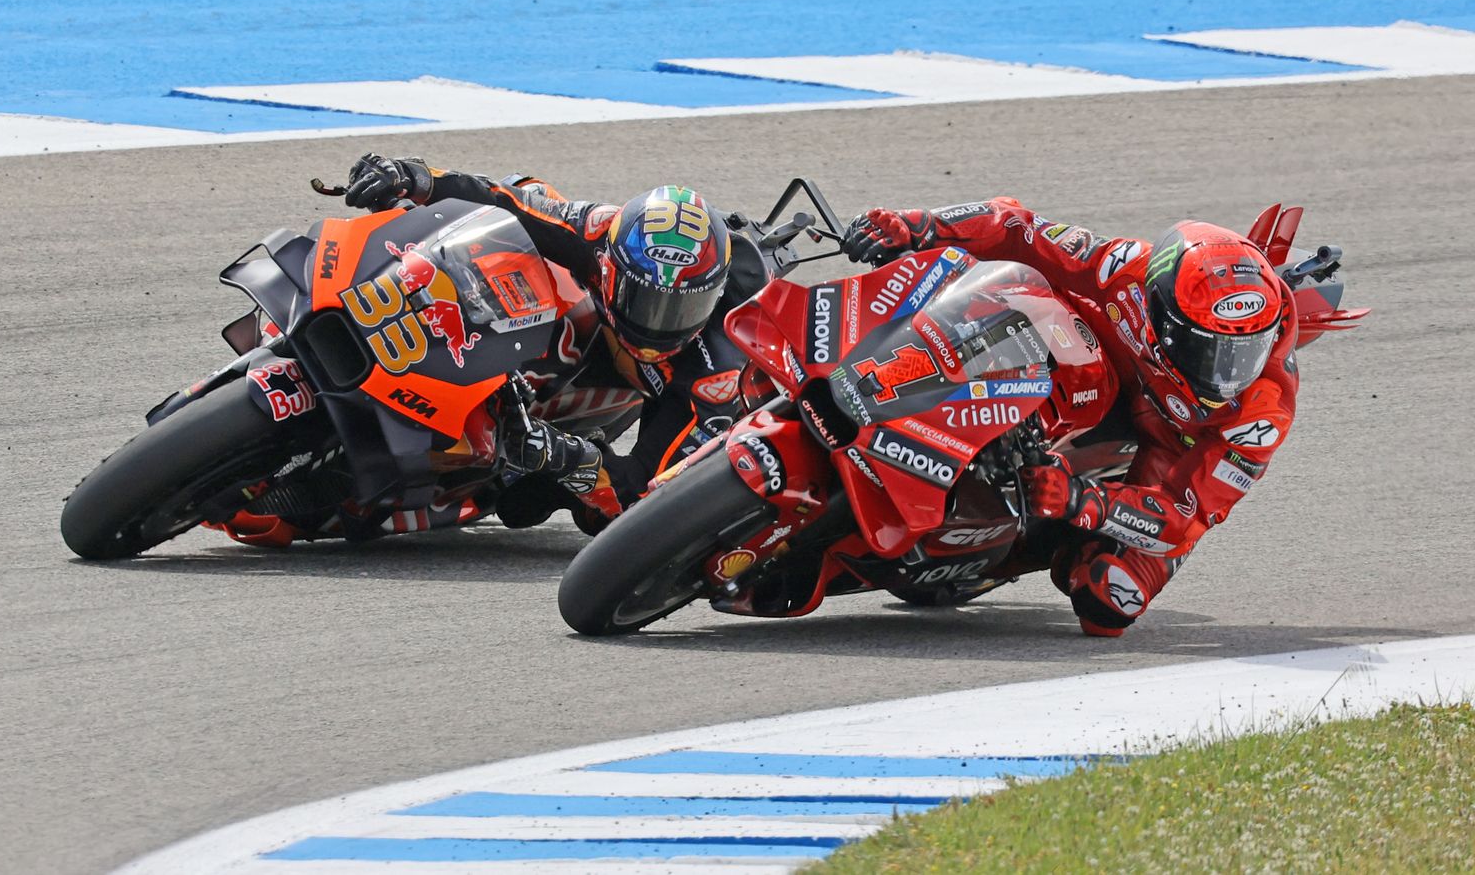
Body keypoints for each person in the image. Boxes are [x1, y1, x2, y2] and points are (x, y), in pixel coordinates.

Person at [843, 199, 1298, 636]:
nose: (1227, 374)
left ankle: (1011, 544)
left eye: (1245, 352)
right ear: (1160, 308)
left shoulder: (1264, 408)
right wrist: (921, 224)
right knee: (1027, 307)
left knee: (1108, 601)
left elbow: (1185, 515)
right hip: (1085, 350)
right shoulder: (1127, 268)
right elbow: (1018, 227)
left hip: (1171, 445)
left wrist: (1082, 501)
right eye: (1209, 349)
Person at [343, 153, 760, 531]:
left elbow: (649, 495)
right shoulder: (602, 233)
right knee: (529, 190)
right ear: (612, 267)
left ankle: (534, 448)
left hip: (667, 393)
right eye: (647, 301)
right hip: (591, 324)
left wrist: (563, 455)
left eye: (681, 309)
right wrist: (413, 176)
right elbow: (509, 200)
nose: (659, 325)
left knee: (550, 506)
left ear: (714, 294)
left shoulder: (717, 373)